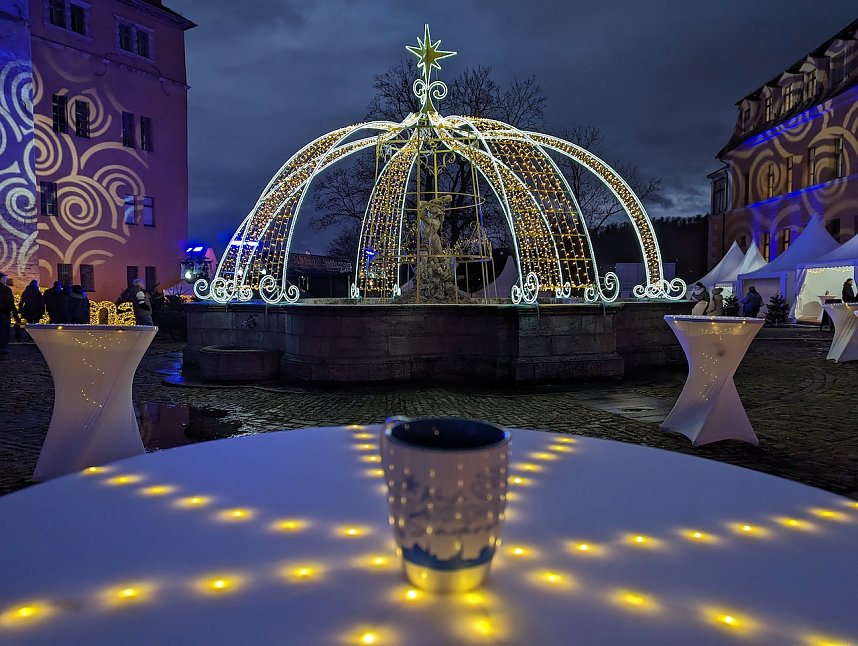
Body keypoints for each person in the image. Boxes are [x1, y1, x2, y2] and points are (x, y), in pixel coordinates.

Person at [0, 272, 22, 354]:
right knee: (4, 331)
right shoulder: (6, 290)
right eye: (4, 278)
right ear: (1, 279)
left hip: (4, 313)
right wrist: (16, 315)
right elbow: (10, 303)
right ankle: (2, 348)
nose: (5, 280)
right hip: (4, 314)